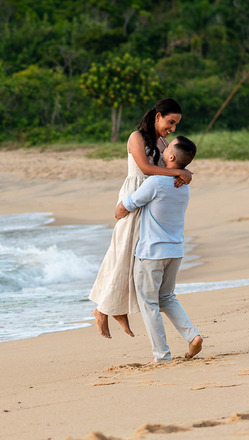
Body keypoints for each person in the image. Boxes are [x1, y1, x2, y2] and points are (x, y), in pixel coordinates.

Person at [89, 98, 194, 339]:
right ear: (158, 116)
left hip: (150, 201)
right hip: (134, 196)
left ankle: (117, 309)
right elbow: (146, 169)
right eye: (170, 122)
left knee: (135, 258)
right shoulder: (136, 137)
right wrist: (177, 171)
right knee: (122, 252)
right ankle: (103, 309)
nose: (173, 128)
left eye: (176, 124)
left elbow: (168, 168)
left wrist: (181, 175)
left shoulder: (164, 142)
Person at [114, 135, 204, 364]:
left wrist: (118, 212)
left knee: (150, 303)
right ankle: (192, 336)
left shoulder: (155, 182)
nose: (161, 151)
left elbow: (128, 204)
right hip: (175, 251)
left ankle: (161, 355)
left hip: (151, 253)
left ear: (171, 156)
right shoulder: (182, 186)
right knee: (167, 297)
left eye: (166, 149)